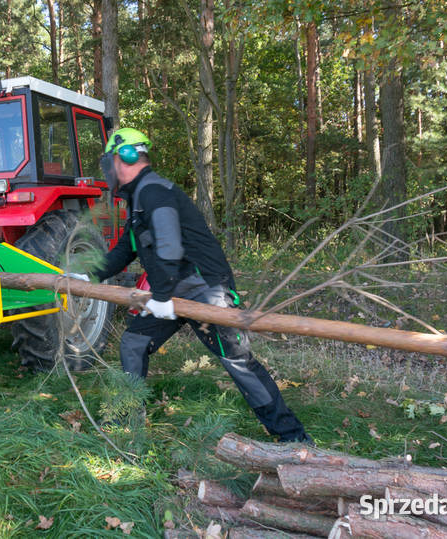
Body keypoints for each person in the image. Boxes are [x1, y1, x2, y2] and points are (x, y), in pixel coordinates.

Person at [72, 127, 311, 443]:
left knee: (238, 361)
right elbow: (125, 249)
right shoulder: (139, 199)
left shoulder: (155, 192)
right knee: (133, 343)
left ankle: (294, 437)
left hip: (206, 288)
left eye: (111, 160)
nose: (109, 169)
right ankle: (129, 420)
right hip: (172, 290)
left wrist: (159, 296)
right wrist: (90, 276)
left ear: (125, 157)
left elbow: (169, 246)